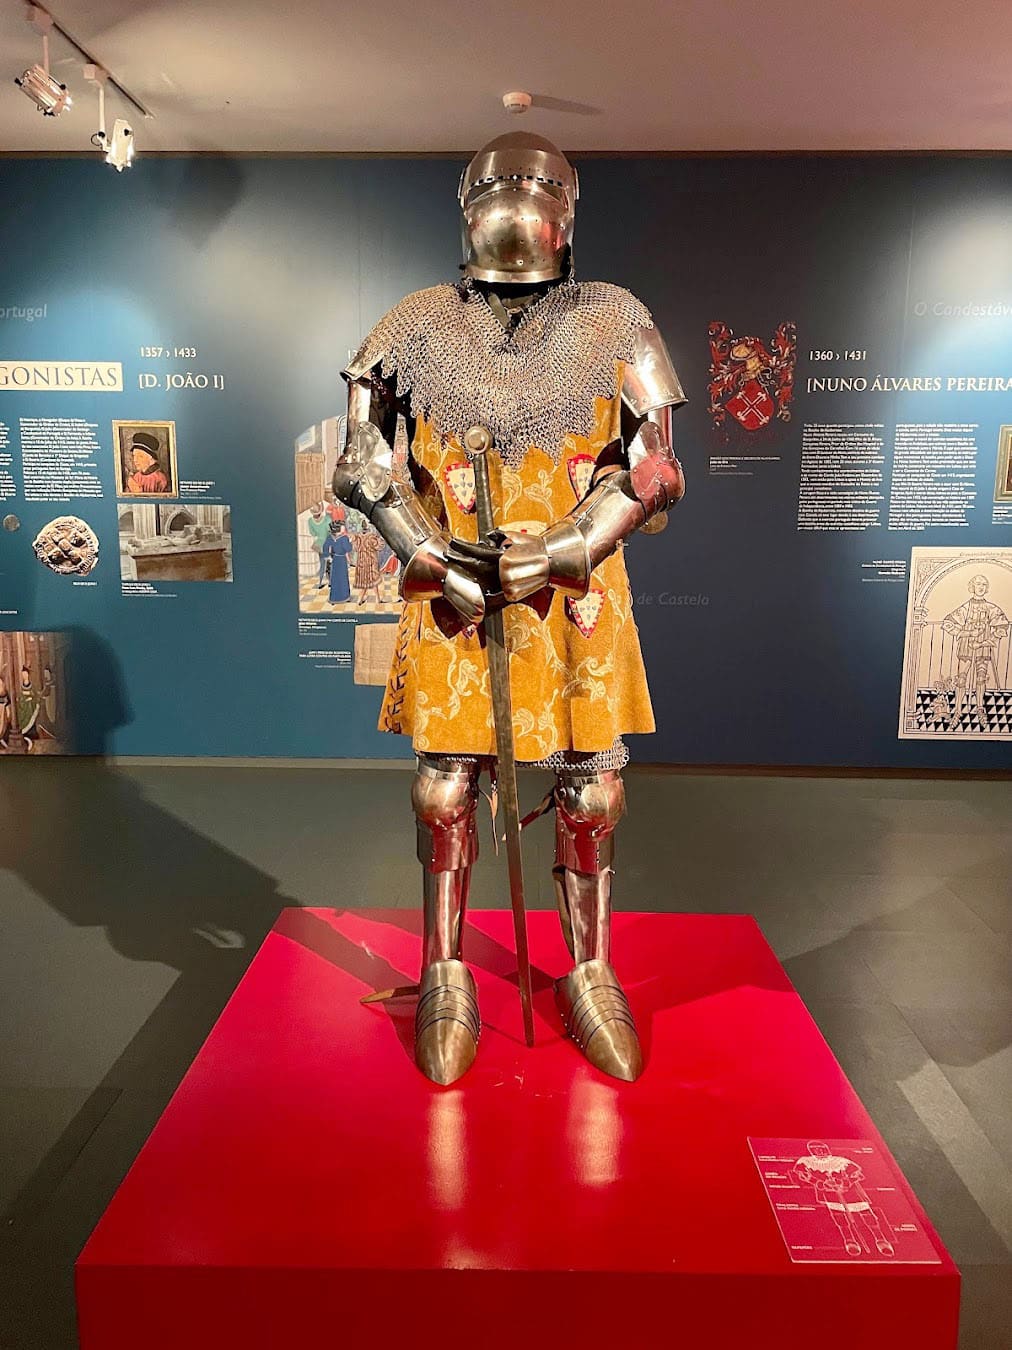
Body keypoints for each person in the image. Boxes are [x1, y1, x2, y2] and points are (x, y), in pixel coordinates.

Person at [333, 132, 686, 1084]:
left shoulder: (617, 323)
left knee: (592, 792)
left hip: (573, 595)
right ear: (466, 203)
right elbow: (361, 464)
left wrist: (565, 545)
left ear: (568, 210)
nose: (518, 204)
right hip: (453, 588)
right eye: (500, 187)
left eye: (537, 189)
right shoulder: (410, 325)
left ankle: (590, 967)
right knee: (447, 791)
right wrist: (428, 553)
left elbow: (652, 471)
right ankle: (445, 968)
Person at [942, 574, 1009, 730]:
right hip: (966, 646)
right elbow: (948, 623)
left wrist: (987, 640)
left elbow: (1003, 626)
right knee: (961, 679)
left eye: (984, 584)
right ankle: (958, 710)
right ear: (972, 586)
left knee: (981, 678)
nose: (981, 587)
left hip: (983, 647)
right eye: (978, 584)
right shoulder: (965, 607)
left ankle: (980, 708)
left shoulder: (991, 608)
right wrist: (968, 633)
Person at [323, 518, 353, 605]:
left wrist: (327, 557)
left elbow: (325, 547)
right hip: (342, 560)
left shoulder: (330, 537)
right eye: (342, 527)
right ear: (338, 529)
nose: (344, 528)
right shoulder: (344, 538)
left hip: (335, 560)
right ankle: (344, 597)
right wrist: (350, 542)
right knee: (343, 578)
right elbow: (348, 549)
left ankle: (334, 598)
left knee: (335, 579)